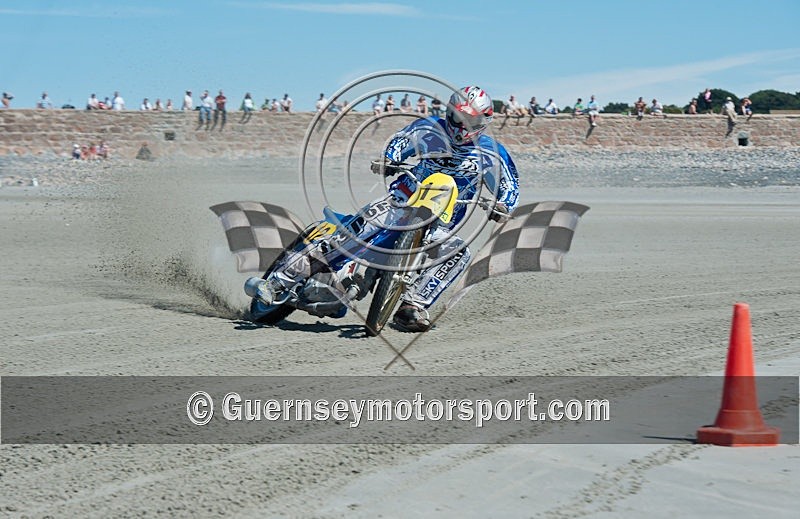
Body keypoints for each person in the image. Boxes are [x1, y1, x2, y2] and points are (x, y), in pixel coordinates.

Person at [257, 86, 519, 332]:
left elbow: (509, 185)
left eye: (469, 120)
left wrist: (503, 205)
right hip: (401, 200)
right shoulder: (429, 128)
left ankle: (412, 307)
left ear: (483, 122)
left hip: (442, 223)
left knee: (459, 253)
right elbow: (401, 140)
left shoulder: (492, 153)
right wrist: (390, 159)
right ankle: (278, 282)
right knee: (352, 233)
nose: (461, 125)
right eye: (457, 116)